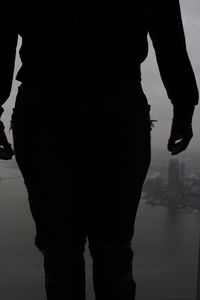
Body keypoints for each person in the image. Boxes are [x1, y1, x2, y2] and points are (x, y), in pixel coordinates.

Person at [0, 1, 199, 299]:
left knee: (61, 256)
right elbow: (166, 26)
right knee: (113, 251)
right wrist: (183, 103)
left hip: (46, 107)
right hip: (116, 106)